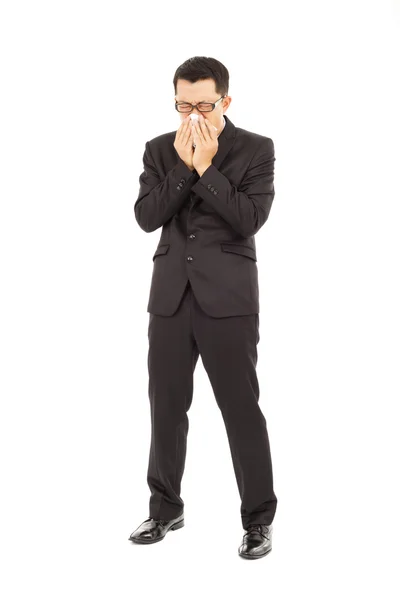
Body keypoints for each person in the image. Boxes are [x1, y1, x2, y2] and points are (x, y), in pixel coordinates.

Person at [129, 56, 278, 559]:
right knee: (165, 409)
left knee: (240, 410)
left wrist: (207, 168)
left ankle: (258, 520)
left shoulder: (257, 149)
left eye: (204, 105)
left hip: (229, 301)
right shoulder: (157, 150)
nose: (193, 115)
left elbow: (249, 219)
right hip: (170, 299)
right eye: (183, 105)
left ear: (225, 101)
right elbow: (147, 217)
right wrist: (180, 166)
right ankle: (165, 508)